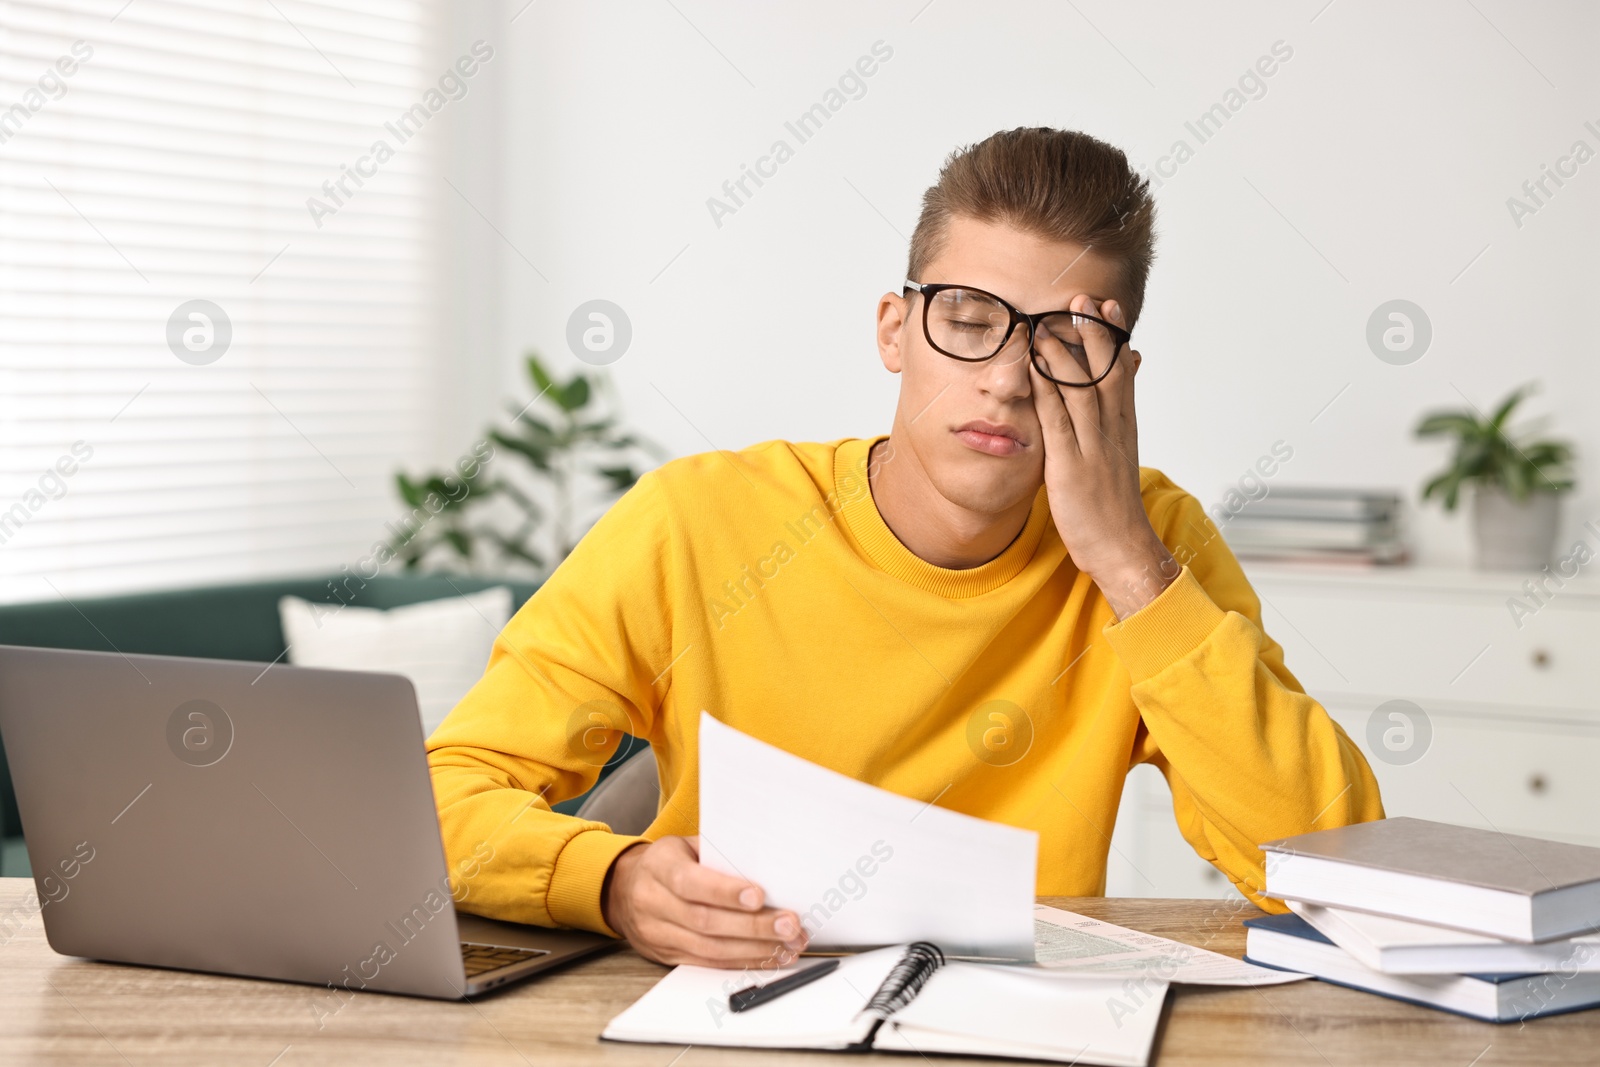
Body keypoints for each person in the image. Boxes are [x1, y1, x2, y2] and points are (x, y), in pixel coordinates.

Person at [427, 126, 1384, 970]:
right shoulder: (694, 521)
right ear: (896, 330)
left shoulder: (1154, 545)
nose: (1008, 380)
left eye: (1064, 344)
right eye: (969, 320)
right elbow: (438, 798)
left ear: (1119, 378)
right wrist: (613, 876)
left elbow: (1333, 865)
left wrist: (1129, 567)